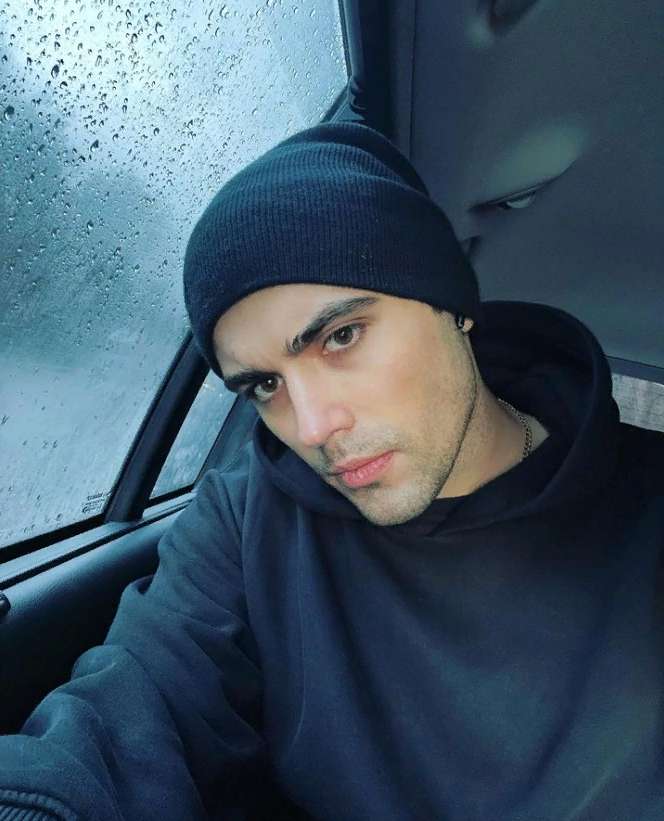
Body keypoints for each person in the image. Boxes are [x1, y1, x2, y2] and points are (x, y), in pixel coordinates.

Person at [1, 121, 664, 821]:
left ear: (451, 304)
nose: (313, 428)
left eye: (341, 336)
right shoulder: (248, 516)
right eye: (265, 385)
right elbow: (134, 708)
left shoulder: (646, 506)